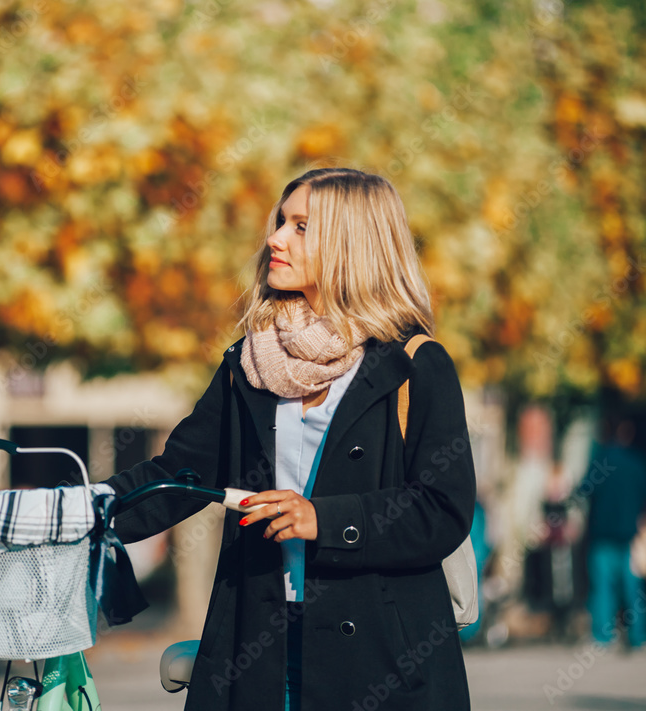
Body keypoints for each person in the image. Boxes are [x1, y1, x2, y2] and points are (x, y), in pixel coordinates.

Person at [104, 168, 476, 710]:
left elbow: (442, 509)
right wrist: (79, 512)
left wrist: (323, 520)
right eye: (281, 221)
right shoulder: (249, 361)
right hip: (257, 649)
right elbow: (176, 476)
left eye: (301, 226)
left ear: (353, 243)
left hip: (380, 661)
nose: (275, 238)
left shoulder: (414, 365)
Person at [581, 416, 646, 649]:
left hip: (602, 535)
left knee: (602, 589)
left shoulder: (600, 460)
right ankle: (638, 637)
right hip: (630, 537)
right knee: (633, 589)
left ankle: (602, 637)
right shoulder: (638, 464)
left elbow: (584, 490)